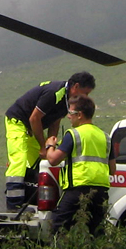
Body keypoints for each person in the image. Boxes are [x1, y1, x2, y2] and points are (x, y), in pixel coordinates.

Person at [3, 71, 95, 210]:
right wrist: (42, 146)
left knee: (38, 161)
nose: (86, 97)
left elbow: (55, 122)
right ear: (75, 86)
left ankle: (30, 197)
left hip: (31, 127)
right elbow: (34, 118)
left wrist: (49, 145)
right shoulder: (54, 93)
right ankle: (13, 203)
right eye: (85, 93)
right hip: (18, 121)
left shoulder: (67, 101)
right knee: (20, 158)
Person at [44, 95, 115, 235]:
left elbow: (53, 160)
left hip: (77, 189)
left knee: (59, 227)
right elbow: (112, 170)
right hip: (100, 192)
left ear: (80, 115)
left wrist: (49, 146)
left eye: (71, 113)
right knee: (96, 231)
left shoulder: (73, 134)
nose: (68, 116)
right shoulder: (105, 137)